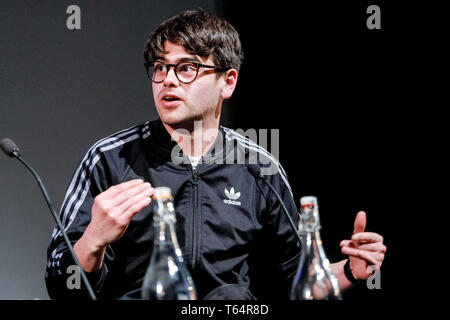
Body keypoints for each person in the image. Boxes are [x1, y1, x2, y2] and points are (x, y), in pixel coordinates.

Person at [45, 10, 386, 300]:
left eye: (187, 68)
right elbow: (61, 284)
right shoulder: (109, 158)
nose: (168, 81)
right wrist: (92, 239)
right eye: (160, 67)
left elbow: (296, 278)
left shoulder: (259, 167)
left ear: (228, 82)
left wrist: (351, 272)